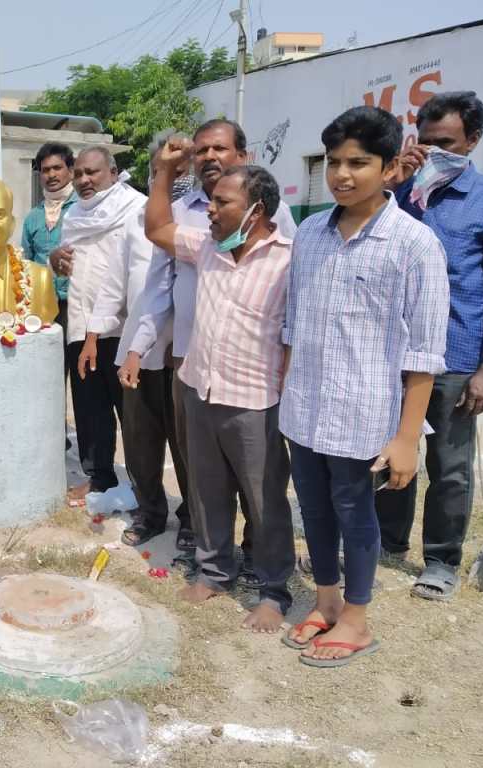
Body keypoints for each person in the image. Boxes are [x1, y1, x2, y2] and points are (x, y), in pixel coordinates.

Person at [281, 106, 449, 666]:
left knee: (356, 515)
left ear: (389, 165)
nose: (342, 175)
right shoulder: (310, 234)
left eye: (358, 162)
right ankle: (326, 601)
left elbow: (424, 352)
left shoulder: (413, 244)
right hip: (304, 408)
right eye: (334, 162)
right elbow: (293, 324)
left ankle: (356, 619)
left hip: (364, 414)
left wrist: (407, 437)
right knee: (315, 510)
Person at [134, 119, 298, 572]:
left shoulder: (291, 259)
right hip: (198, 386)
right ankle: (213, 570)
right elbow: (158, 228)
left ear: (256, 209)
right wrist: (163, 173)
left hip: (254, 399)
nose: (209, 210)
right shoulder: (208, 247)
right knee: (206, 491)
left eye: (222, 203)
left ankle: (272, 582)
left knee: (264, 498)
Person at [375, 91, 483, 601]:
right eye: (426, 142)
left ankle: (442, 559)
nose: (434, 152)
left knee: (448, 466)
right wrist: (393, 183)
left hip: (455, 355)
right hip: (393, 354)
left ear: (473, 140)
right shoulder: (398, 194)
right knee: (389, 451)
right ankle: (387, 539)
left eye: (445, 143)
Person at [80, 188, 185, 547]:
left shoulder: (199, 220)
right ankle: (150, 512)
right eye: (159, 173)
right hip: (138, 353)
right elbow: (114, 284)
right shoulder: (134, 222)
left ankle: (192, 519)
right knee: (140, 442)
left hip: (184, 354)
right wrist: (93, 335)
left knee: (186, 445)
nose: (166, 181)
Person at [51, 147, 144, 498]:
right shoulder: (73, 214)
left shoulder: (135, 208)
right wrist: (55, 258)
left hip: (124, 330)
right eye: (79, 175)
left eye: (93, 172)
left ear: (114, 171)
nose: (84, 180)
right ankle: (99, 475)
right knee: (90, 410)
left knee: (134, 417)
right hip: (81, 323)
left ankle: (142, 485)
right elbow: (67, 261)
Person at [22, 143, 77, 339]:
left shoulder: (83, 209)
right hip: (41, 301)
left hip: (77, 302)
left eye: (57, 168)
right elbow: (26, 262)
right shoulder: (33, 217)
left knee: (81, 364)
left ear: (71, 171)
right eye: (45, 170)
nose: (51, 175)